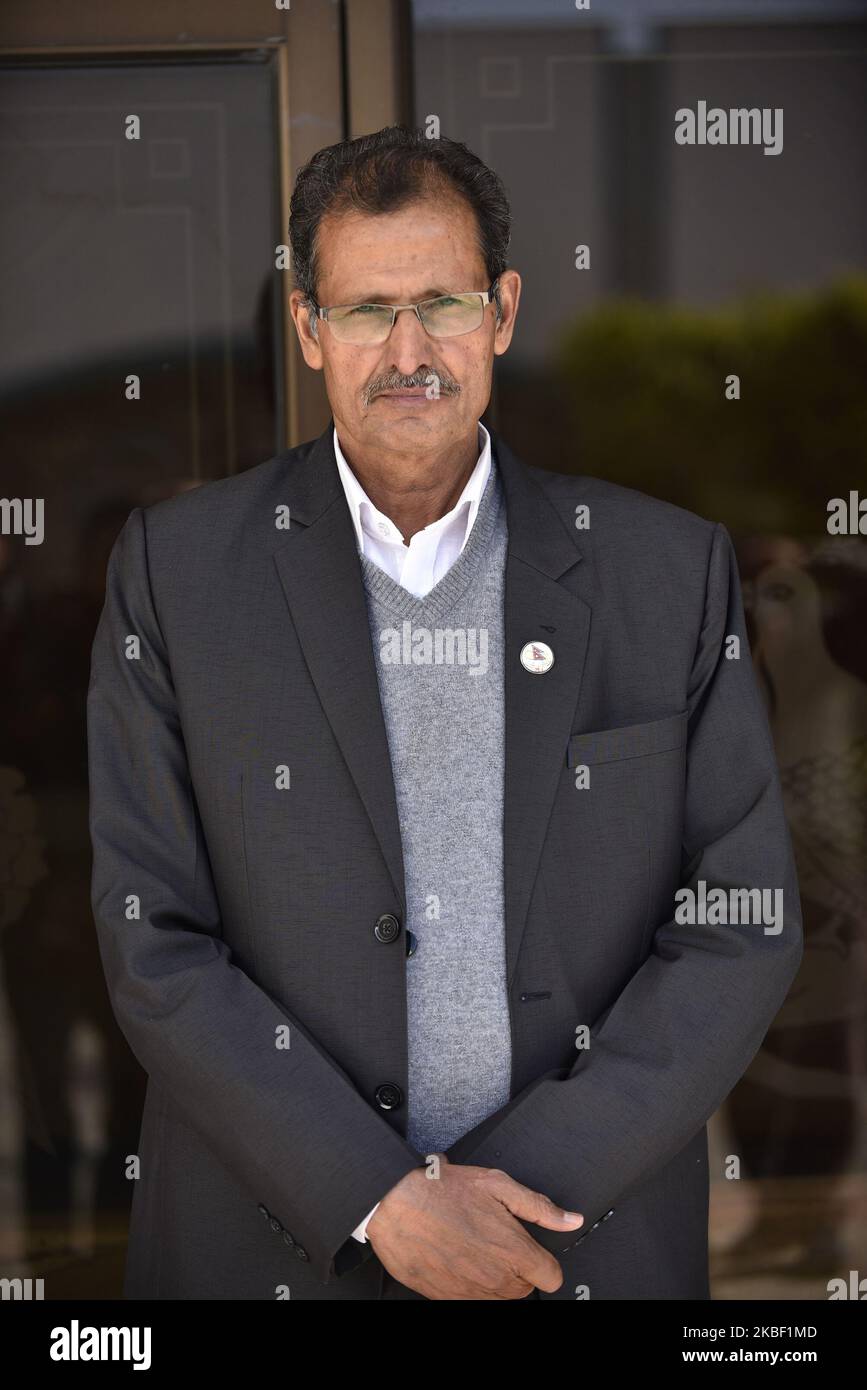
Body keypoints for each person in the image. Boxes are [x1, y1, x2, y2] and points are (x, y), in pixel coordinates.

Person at [87, 125, 803, 1300]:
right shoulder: (180, 571)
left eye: (444, 303)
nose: (408, 350)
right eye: (366, 310)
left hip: (577, 1241)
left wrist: (504, 1191)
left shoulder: (665, 573)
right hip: (269, 1246)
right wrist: (377, 1199)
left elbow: (740, 918)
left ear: (504, 311)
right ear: (310, 328)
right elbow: (153, 936)